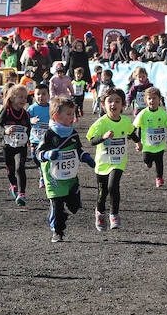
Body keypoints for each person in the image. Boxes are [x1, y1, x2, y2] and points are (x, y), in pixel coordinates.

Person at [34, 97, 95, 243]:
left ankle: (68, 207)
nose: (72, 117)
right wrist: (48, 154)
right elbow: (37, 154)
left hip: (69, 177)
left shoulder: (73, 133)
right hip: (53, 177)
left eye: (73, 114)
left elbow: (77, 150)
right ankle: (57, 232)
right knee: (57, 205)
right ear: (56, 116)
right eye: (68, 114)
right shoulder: (49, 134)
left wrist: (85, 157)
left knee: (74, 206)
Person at [86, 88, 140, 231]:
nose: (113, 104)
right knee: (102, 192)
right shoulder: (101, 123)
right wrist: (103, 137)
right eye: (110, 101)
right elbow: (91, 140)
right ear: (103, 104)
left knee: (113, 186)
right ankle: (99, 212)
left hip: (118, 161)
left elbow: (131, 132)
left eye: (117, 101)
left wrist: (138, 142)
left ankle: (114, 215)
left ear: (122, 105)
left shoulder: (125, 121)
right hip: (103, 163)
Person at [134, 87, 167, 187]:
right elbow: (136, 126)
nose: (152, 101)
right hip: (147, 145)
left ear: (159, 100)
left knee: (159, 161)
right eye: (149, 98)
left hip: (160, 144)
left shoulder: (162, 113)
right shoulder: (143, 113)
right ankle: (149, 163)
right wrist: (137, 141)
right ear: (145, 100)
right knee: (146, 159)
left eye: (154, 98)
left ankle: (159, 178)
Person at [0, 84, 31, 206]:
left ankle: (22, 194)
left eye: (25, 97)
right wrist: (5, 131)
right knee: (10, 169)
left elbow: (29, 128)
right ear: (12, 98)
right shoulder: (6, 112)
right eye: (20, 97)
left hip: (21, 146)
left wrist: (29, 139)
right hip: (7, 146)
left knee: (20, 167)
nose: (23, 100)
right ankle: (13, 184)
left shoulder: (25, 114)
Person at [28, 84, 51, 188]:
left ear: (49, 95)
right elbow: (24, 120)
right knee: (35, 157)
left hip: (48, 139)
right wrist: (31, 120)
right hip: (35, 139)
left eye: (43, 94)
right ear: (34, 96)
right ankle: (41, 171)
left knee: (46, 158)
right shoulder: (32, 108)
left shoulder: (51, 108)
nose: (41, 96)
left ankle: (44, 176)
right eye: (38, 94)